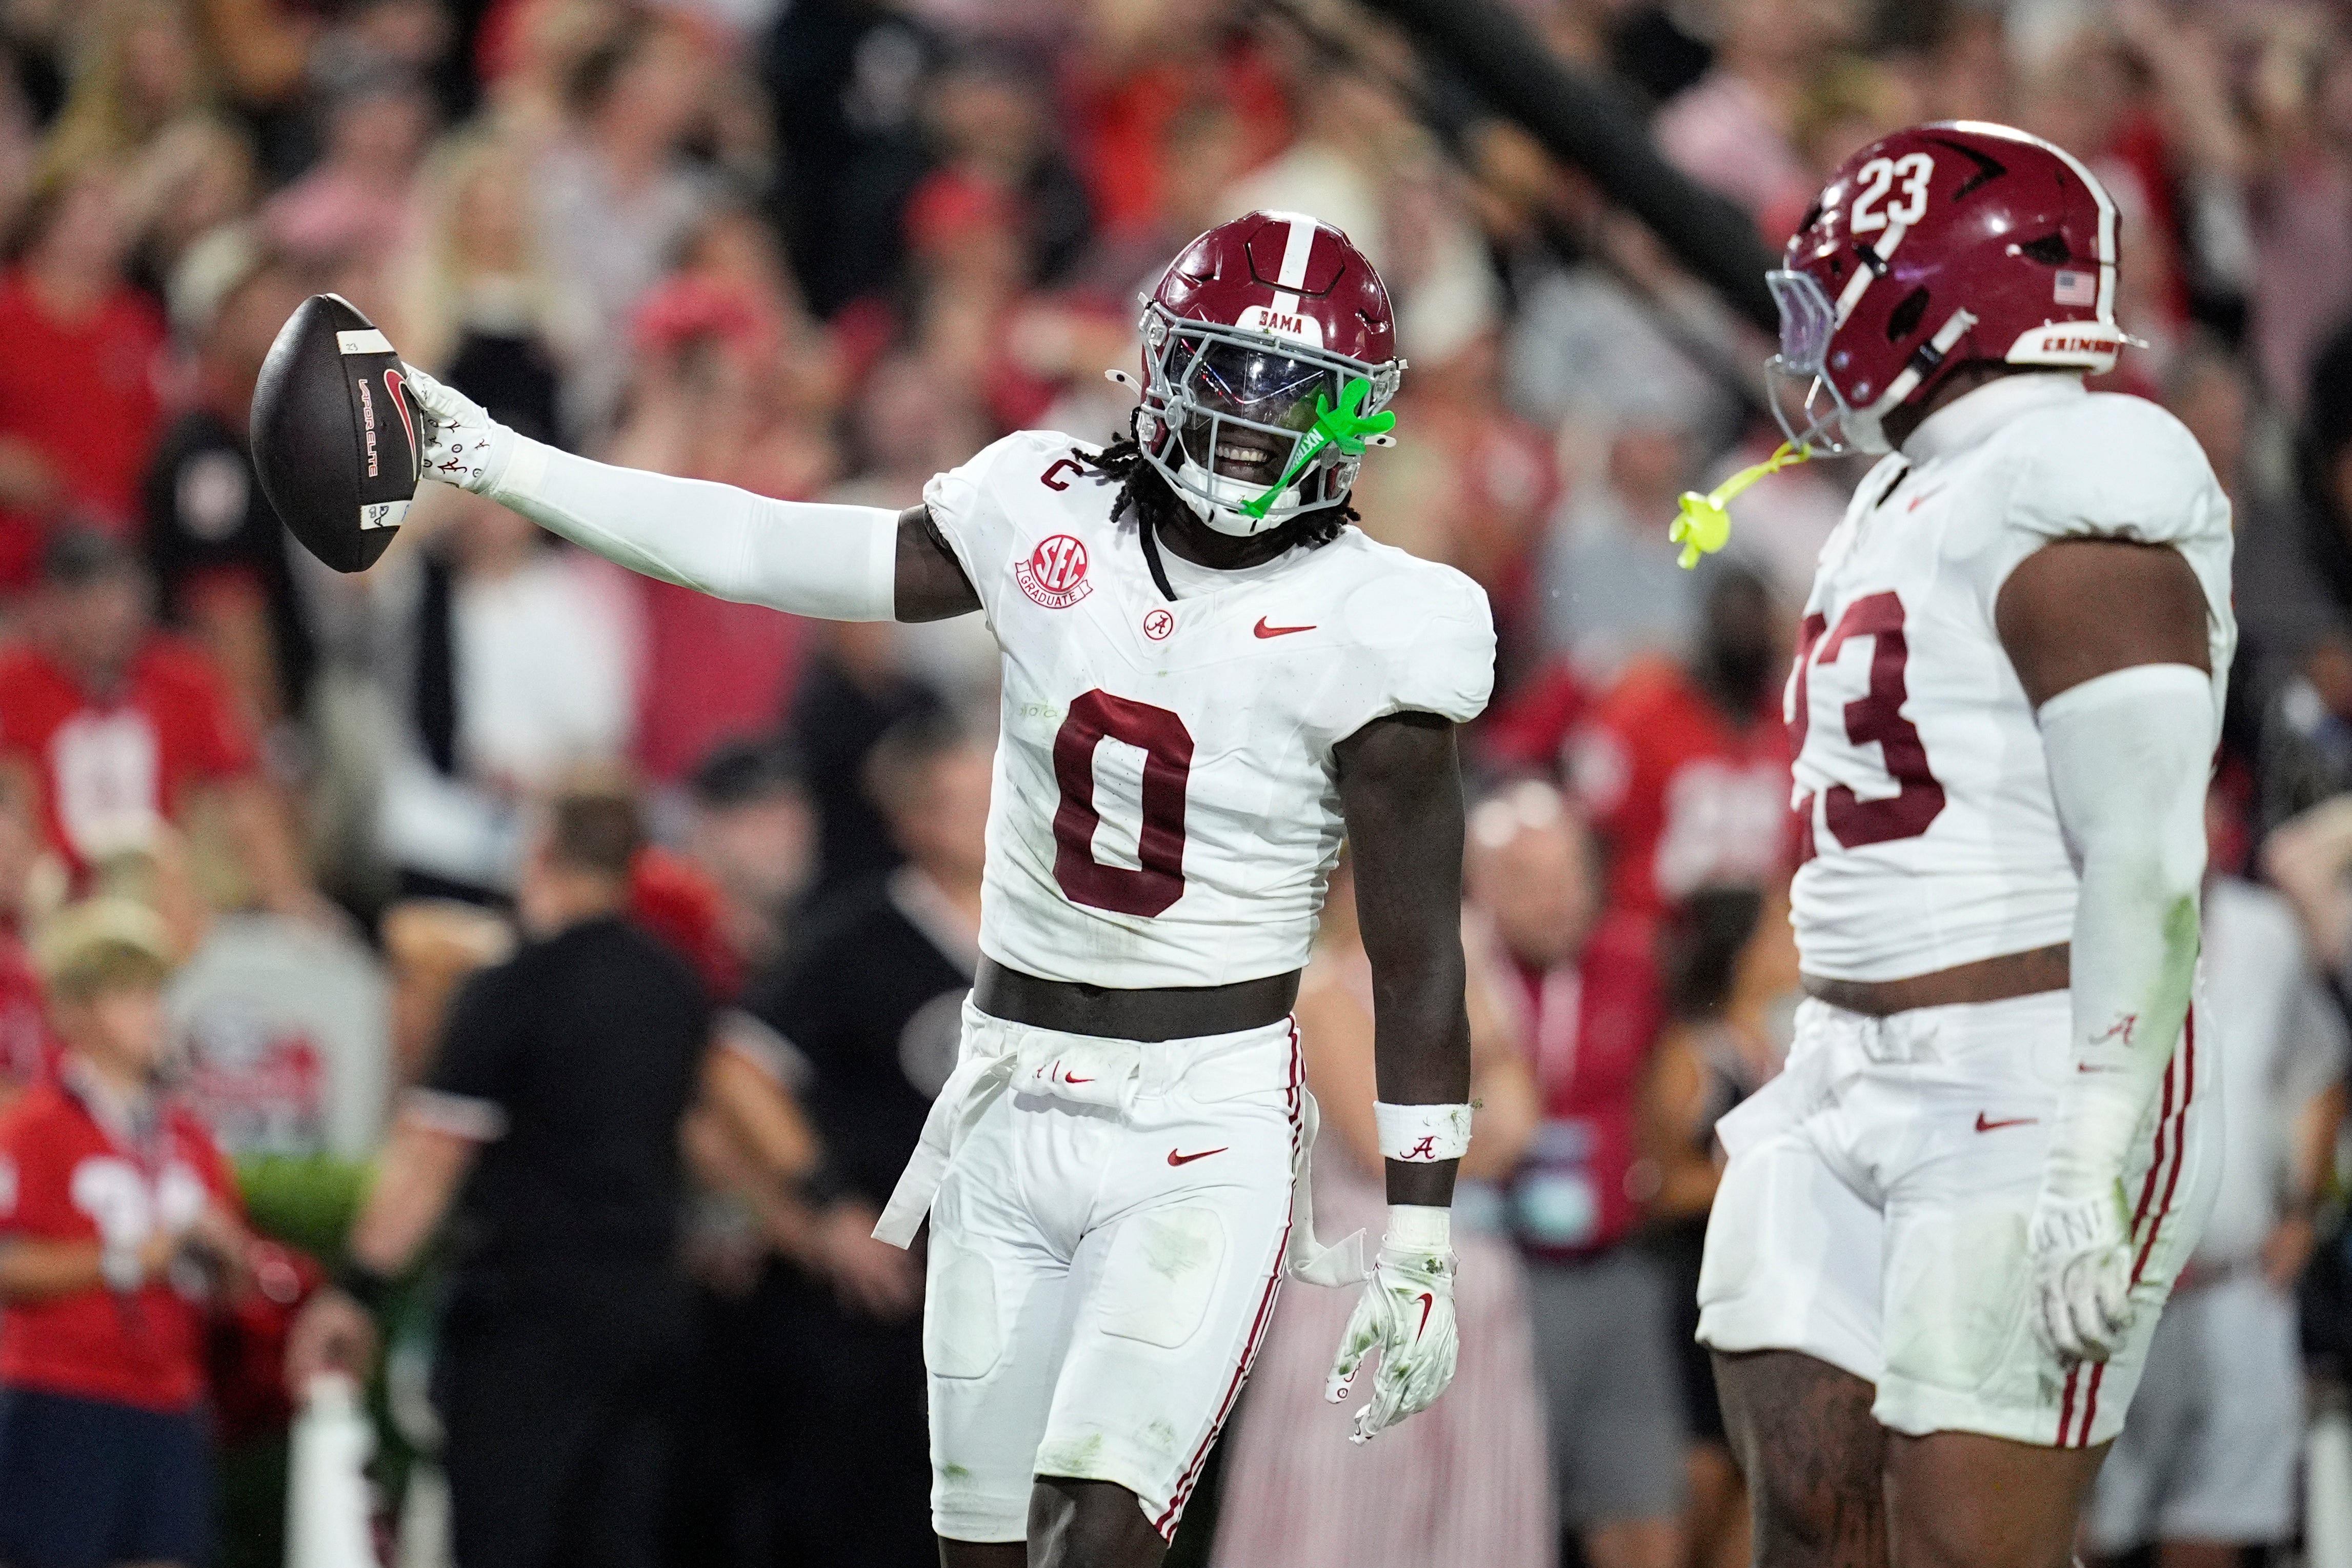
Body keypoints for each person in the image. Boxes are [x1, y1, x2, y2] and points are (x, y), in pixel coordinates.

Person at [390, 209, 1495, 1565]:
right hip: (1008, 1087)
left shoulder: (1386, 621)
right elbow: (758, 546)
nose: (1248, 417)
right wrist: (485, 454)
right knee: (979, 1547)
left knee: (1102, 1532)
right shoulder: (1050, 512)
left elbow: (1417, 955)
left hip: (1203, 1115)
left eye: (1292, 389)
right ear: (1155, 363)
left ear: (1353, 419)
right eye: (1218, 367)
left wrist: (1423, 1232)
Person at [1690, 122, 2235, 1568]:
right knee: (1807, 1521)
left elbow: (2148, 853)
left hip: (2022, 1060)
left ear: (1936, 292)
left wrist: (2092, 1149)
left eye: (1842, 289)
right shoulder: (1899, 489)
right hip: (1839, 1064)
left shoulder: (2086, 467)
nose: (1814, 333)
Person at [288, 785, 711, 1568]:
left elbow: (430, 1158)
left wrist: (356, 1289)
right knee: (617, 1541)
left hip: (530, 1313)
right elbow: (693, 1134)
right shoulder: (675, 985)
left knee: (504, 1536)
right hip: (649, 1308)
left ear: (538, 853)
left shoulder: (514, 988)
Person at [1212, 852, 1547, 1568]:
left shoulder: (1466, 986)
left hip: (1472, 1288)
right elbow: (1390, 1153)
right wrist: (1471, 1113)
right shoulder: (1323, 989)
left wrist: (1471, 1035)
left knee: (1473, 1523)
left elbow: (1518, 1128)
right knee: (1336, 1527)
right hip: (1358, 1287)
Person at [733, 709, 991, 1566]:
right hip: (887, 1314)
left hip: (1018, 1301)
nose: (1000, 811)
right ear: (910, 818)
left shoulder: (1058, 933)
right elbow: (741, 1067)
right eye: (968, 797)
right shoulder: (858, 938)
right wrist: (825, 1205)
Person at [2086, 792, 2348, 1567]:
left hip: (2235, 1289)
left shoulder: (2266, 933)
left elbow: (2319, 1067)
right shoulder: (2083, 933)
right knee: (2086, 1536)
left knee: (2208, 1540)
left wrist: (2301, 1210)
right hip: (2111, 1309)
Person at [1471, 779, 1688, 1568]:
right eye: (1529, 879)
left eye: (1569, 872)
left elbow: (1664, 1087)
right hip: (1495, 1273)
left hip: (1618, 1270)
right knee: (1492, 1516)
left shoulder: (1632, 961)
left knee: (1642, 1510)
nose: (1558, 897)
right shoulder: (1452, 974)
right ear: (1481, 890)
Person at [0, 897, 254, 1568]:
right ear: (78, 1010)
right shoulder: (34, 1129)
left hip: (171, 1396)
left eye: (156, 992)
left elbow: (236, 1287)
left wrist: (229, 1255)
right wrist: (130, 1259)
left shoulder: (188, 1135)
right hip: (63, 1394)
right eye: (130, 993)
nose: (153, 1011)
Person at [0, 528, 324, 922]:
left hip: (162, 902)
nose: (108, 616)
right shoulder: (14, 684)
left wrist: (289, 897)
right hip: (45, 905)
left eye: (119, 596)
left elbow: (245, 795)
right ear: (51, 606)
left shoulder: (183, 678)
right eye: (88, 601)